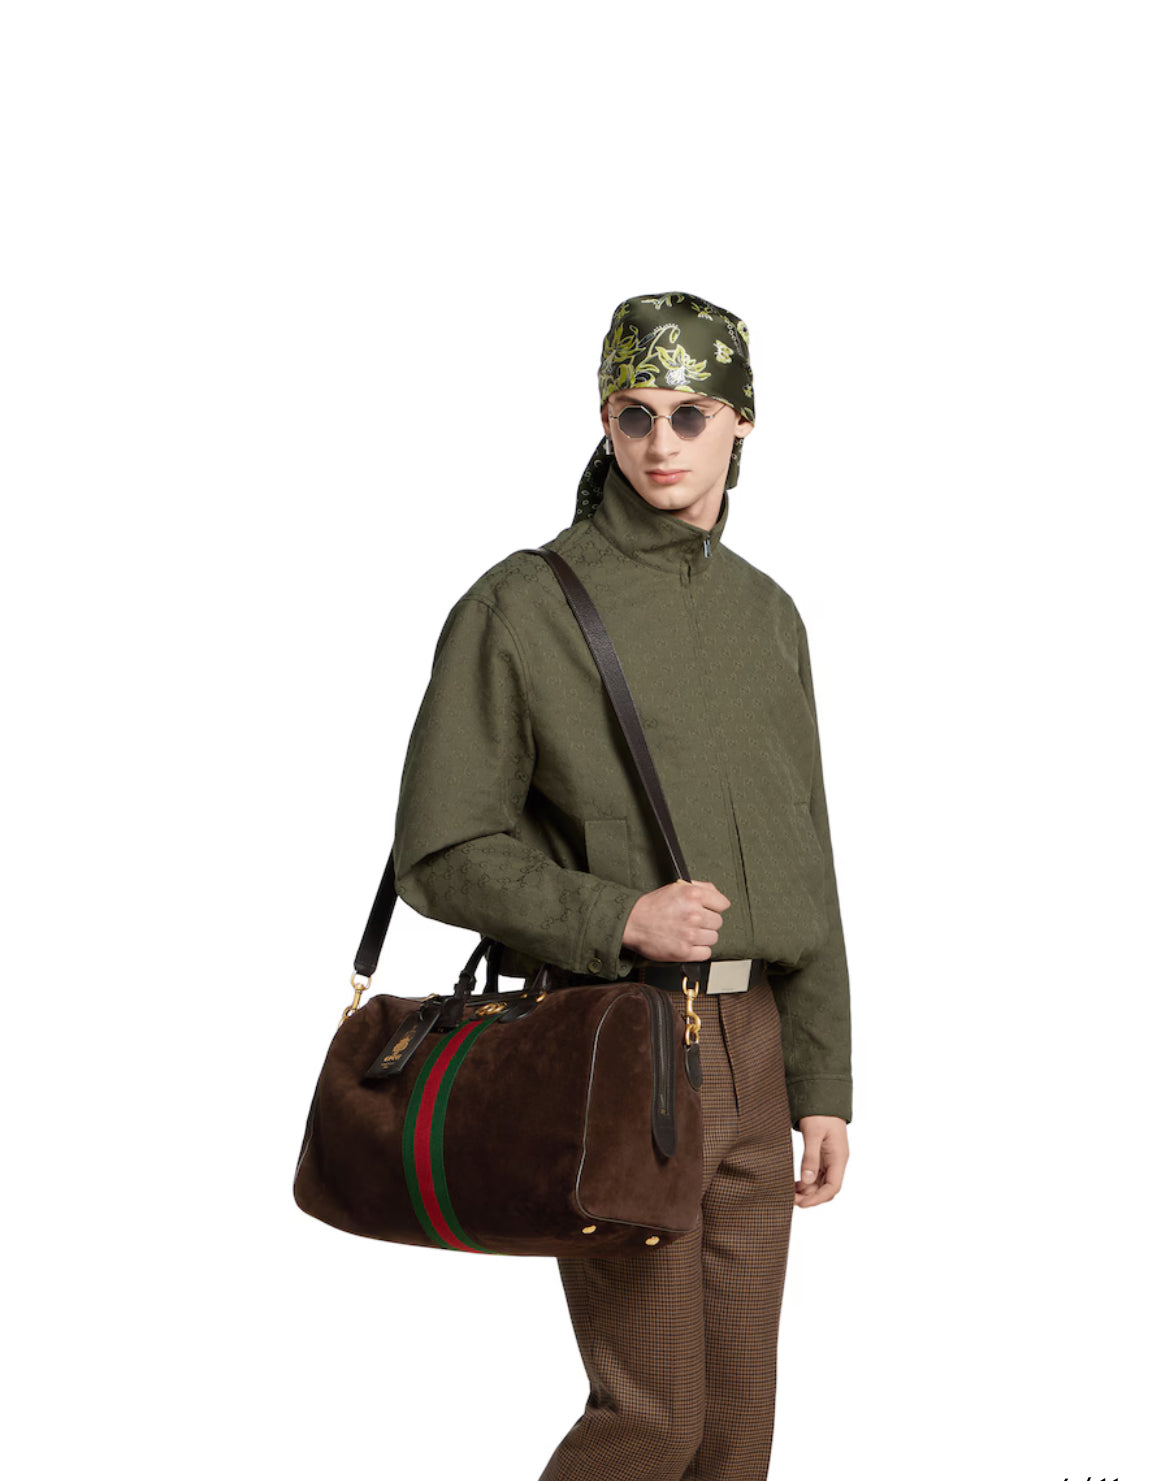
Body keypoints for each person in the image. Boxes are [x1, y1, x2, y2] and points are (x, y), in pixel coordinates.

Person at [391, 291, 852, 1481]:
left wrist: (823, 1081)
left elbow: (811, 858)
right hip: (621, 1044)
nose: (660, 442)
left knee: (736, 1433)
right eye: (634, 414)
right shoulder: (523, 605)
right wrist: (620, 915)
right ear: (605, 419)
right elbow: (438, 849)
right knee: (654, 1416)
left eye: (690, 414)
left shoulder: (770, 618)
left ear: (741, 421)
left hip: (757, 1046)